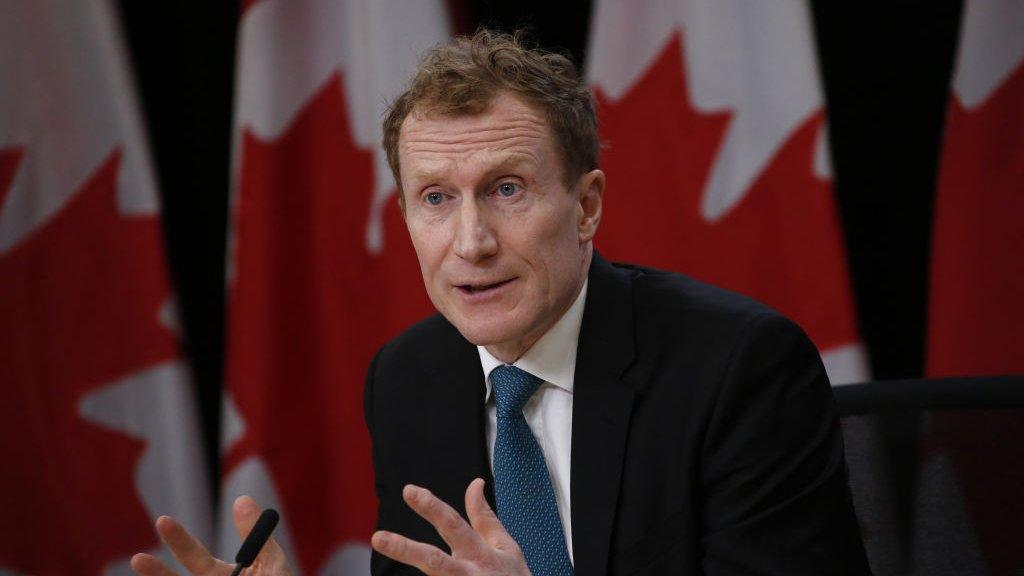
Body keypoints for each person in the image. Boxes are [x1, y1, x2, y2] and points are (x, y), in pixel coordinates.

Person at [131, 29, 870, 576]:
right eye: (435, 199)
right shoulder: (410, 378)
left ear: (586, 206)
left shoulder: (737, 368)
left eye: (506, 189)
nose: (472, 241)